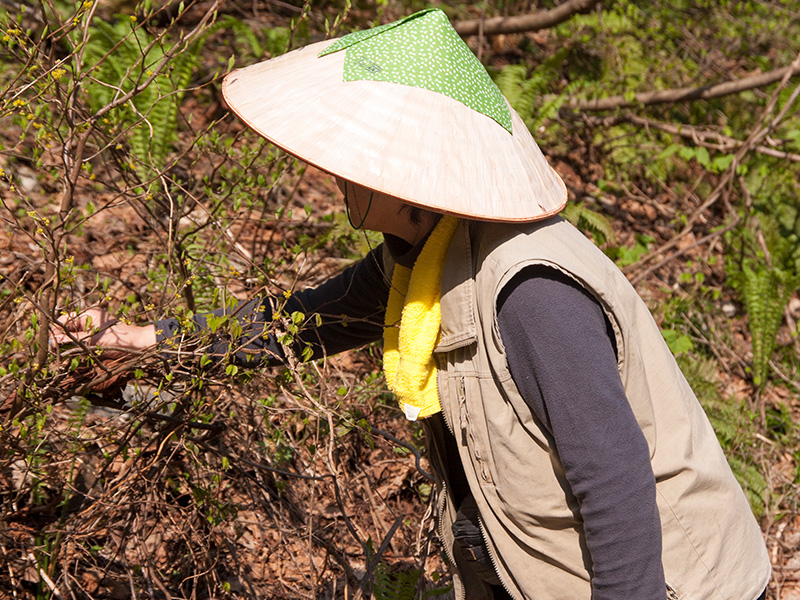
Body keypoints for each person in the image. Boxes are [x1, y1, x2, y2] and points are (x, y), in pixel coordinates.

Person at [55, 9, 771, 600]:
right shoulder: (428, 258)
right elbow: (301, 323)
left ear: (406, 180)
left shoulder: (530, 292)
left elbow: (613, 481)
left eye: (354, 158)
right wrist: (138, 339)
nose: (330, 172)